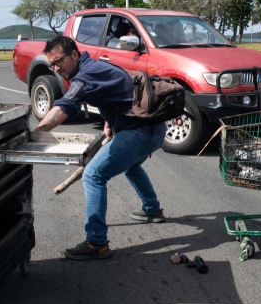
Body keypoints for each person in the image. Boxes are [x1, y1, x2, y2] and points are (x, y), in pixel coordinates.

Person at [37, 36, 167, 260]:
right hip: (155, 129)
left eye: (59, 61)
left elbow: (64, 107)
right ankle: (152, 209)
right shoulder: (97, 66)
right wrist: (109, 123)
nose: (56, 68)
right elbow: (117, 93)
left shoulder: (85, 76)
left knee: (93, 175)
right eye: (52, 64)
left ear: (75, 55)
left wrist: (35, 135)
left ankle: (96, 242)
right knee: (131, 166)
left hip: (140, 133)